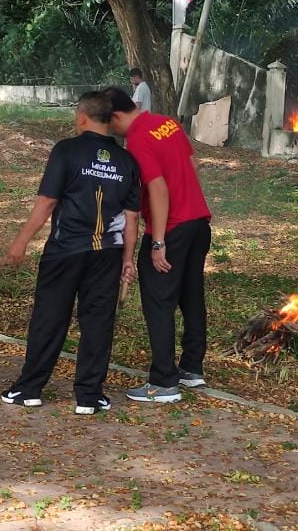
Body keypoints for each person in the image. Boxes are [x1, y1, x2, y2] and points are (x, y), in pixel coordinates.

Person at [0, 92, 141, 415]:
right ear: (110, 120)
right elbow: (132, 218)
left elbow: (47, 202)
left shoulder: (66, 150)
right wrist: (128, 259)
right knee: (98, 320)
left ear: (81, 118)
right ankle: (89, 395)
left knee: (50, 316)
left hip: (65, 249)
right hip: (108, 253)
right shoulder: (127, 161)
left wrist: (20, 241)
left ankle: (29, 388)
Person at [102, 86, 212, 402]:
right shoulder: (168, 123)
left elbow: (158, 189)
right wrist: (194, 202)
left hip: (172, 229)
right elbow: (192, 165)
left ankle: (164, 382)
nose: (114, 133)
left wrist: (158, 241)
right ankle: (192, 370)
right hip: (197, 223)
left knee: (158, 301)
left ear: (116, 117)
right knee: (191, 297)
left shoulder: (138, 139)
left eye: (111, 126)